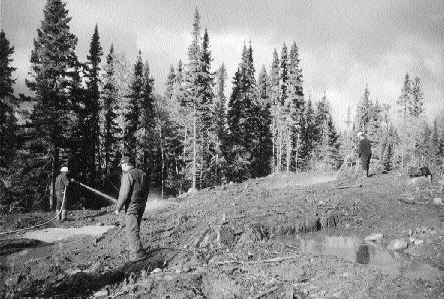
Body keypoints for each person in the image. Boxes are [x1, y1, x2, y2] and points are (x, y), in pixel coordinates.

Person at [115, 155, 149, 262]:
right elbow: (147, 189)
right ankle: (138, 249)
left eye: (121, 165)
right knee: (135, 227)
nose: (121, 167)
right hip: (141, 204)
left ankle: (137, 253)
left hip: (132, 206)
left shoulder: (128, 175)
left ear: (125, 165)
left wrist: (118, 208)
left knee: (131, 229)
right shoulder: (142, 173)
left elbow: (124, 194)